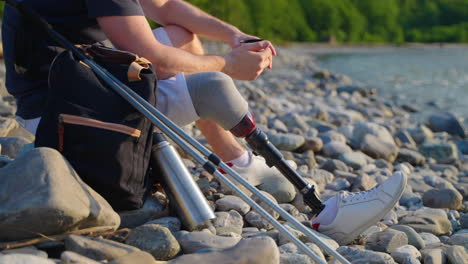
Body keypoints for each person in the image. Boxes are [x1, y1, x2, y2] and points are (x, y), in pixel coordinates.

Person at [2, 0, 406, 245]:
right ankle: (320, 210)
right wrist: (230, 64)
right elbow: (154, 59)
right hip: (68, 118)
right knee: (213, 85)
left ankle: (238, 162)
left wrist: (234, 36)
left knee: (179, 34)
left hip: (67, 92)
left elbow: (167, 9)